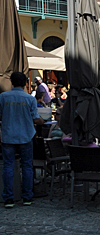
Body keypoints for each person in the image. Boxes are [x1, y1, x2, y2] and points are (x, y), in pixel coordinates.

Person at [0, 71, 41, 207]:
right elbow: (35, 118)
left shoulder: (3, 97)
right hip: (26, 135)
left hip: (8, 135)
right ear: (25, 83)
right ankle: (27, 197)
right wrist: (41, 120)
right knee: (27, 166)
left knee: (8, 166)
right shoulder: (30, 99)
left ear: (12, 82)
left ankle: (9, 198)